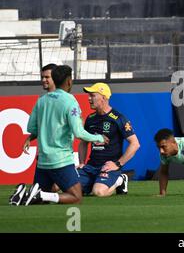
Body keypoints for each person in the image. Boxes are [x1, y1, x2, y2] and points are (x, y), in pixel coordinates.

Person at [9, 65, 109, 206]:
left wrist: (32, 136)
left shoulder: (41, 101)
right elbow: (79, 132)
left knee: (40, 201)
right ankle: (39, 194)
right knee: (76, 197)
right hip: (61, 161)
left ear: (54, 80)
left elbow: (32, 127)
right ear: (69, 81)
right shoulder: (70, 101)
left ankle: (22, 196)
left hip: (42, 161)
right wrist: (99, 138)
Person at [77, 82, 140, 197]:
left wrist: (118, 164)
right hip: (90, 167)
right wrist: (81, 163)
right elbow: (83, 142)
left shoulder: (118, 118)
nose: (89, 98)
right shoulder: (90, 119)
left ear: (103, 98)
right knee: (70, 189)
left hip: (108, 168)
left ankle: (120, 179)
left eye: (92, 95)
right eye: (89, 95)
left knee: (98, 192)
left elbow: (135, 144)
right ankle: (93, 182)